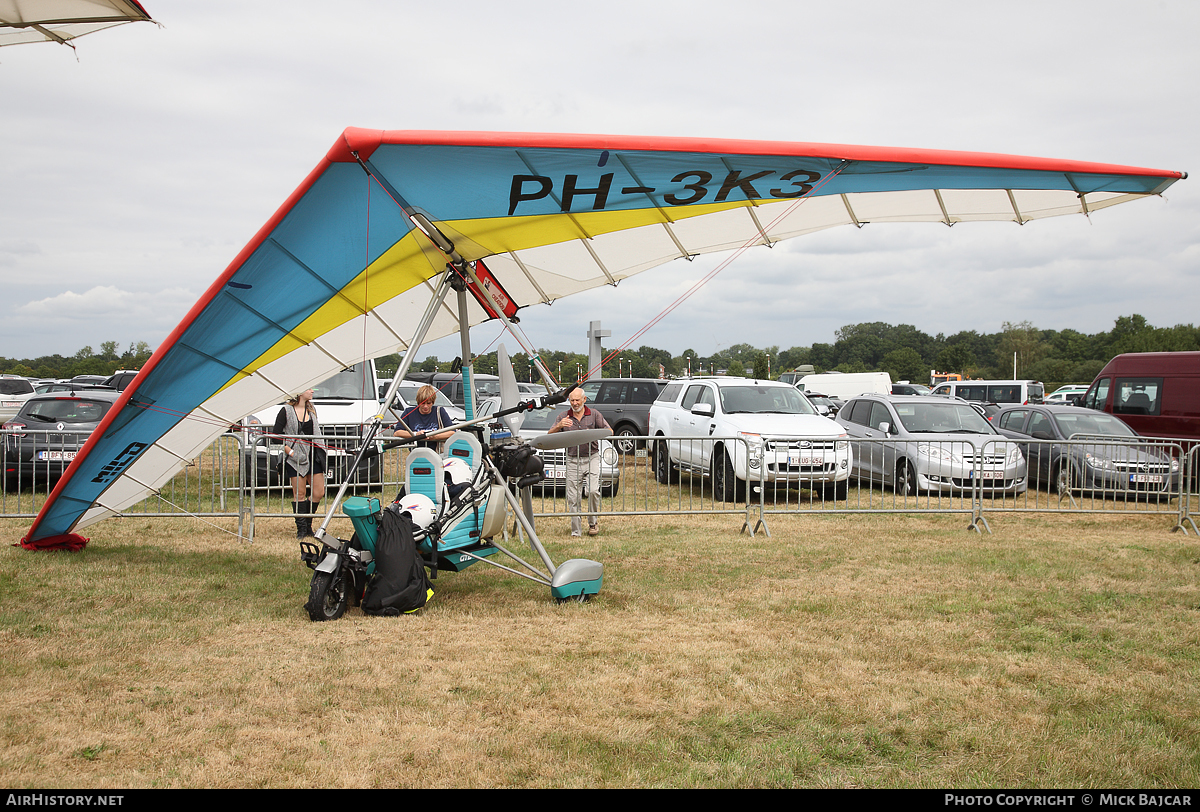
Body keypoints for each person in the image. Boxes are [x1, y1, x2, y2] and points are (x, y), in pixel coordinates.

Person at [547, 387, 611, 537]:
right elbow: (549, 436)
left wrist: (594, 434)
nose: (575, 403)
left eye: (577, 400)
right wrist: (559, 426)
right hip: (572, 459)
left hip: (592, 458)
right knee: (573, 496)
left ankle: (593, 523)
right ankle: (576, 530)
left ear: (584, 399)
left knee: (593, 491)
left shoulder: (594, 414)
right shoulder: (563, 416)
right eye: (572, 400)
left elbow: (609, 431)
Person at [272, 389, 326, 539]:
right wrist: (290, 452)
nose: (312, 391)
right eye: (309, 389)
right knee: (300, 494)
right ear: (299, 392)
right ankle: (302, 530)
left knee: (318, 492)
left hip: (313, 455)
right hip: (295, 458)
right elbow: (275, 436)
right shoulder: (286, 410)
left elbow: (316, 434)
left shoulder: (311, 409)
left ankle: (307, 524)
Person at [390, 384, 455, 450]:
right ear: (418, 402)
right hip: (415, 453)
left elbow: (452, 432)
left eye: (428, 403)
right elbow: (397, 433)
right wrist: (416, 434)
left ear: (433, 402)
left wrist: (435, 436)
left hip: (436, 453)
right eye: (423, 403)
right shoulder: (409, 412)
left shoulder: (440, 411)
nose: (425, 406)